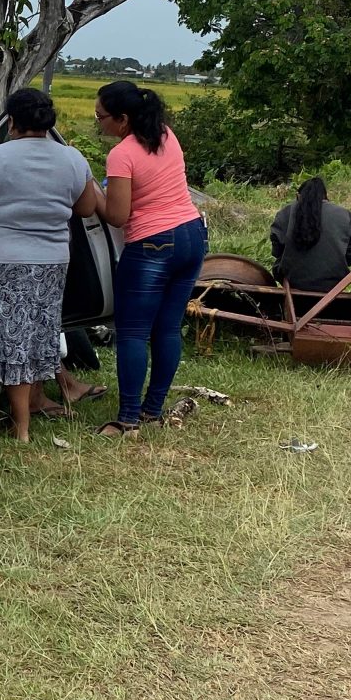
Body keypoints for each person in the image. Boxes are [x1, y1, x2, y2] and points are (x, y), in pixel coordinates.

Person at [0, 88, 97, 442]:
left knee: (13, 338)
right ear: (49, 122)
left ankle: (22, 428)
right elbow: (87, 208)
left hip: (6, 261)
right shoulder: (73, 159)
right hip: (52, 261)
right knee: (42, 333)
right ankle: (35, 404)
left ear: (12, 121)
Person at [92, 81, 206, 438]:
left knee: (133, 332)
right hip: (191, 234)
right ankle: (153, 411)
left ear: (122, 119)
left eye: (101, 117)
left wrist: (93, 193)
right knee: (168, 328)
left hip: (152, 244)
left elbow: (118, 216)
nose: (98, 123)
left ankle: (127, 419)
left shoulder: (121, 154)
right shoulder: (165, 135)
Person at [269, 177, 351, 292]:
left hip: (293, 281)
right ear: (326, 197)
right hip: (332, 284)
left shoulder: (285, 213)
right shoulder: (344, 215)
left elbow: (276, 252)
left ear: (298, 196)